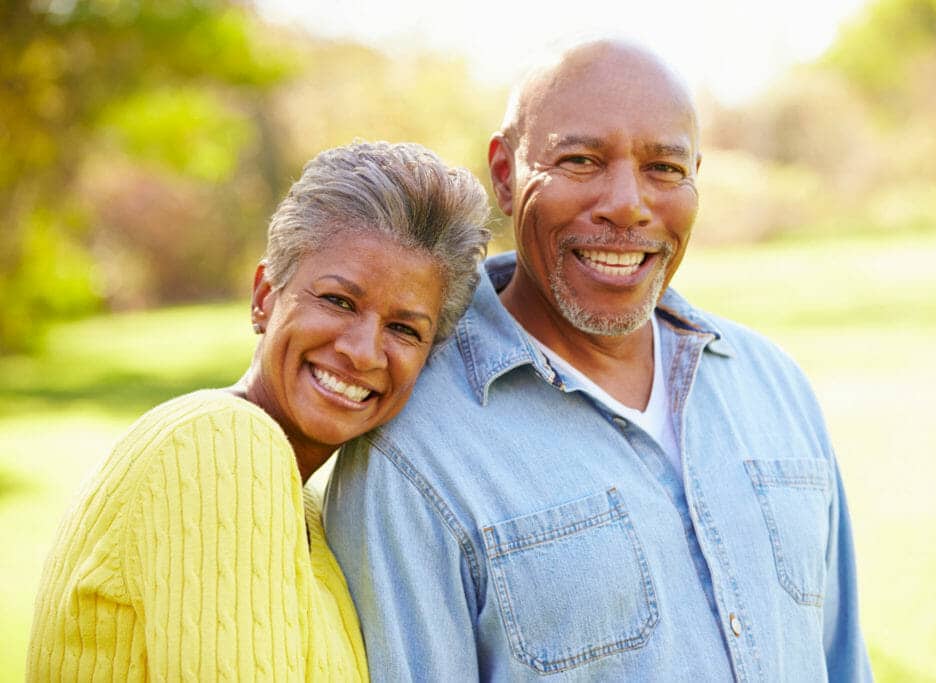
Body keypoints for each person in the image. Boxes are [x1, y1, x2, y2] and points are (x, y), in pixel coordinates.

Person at [324, 41, 873, 681]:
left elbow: (841, 661)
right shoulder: (410, 450)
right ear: (504, 173)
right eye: (580, 160)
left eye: (664, 168)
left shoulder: (774, 385)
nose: (627, 204)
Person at [26, 141, 490, 681]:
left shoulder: (306, 506)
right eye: (338, 301)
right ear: (265, 297)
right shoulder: (217, 445)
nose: (363, 351)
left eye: (404, 329)